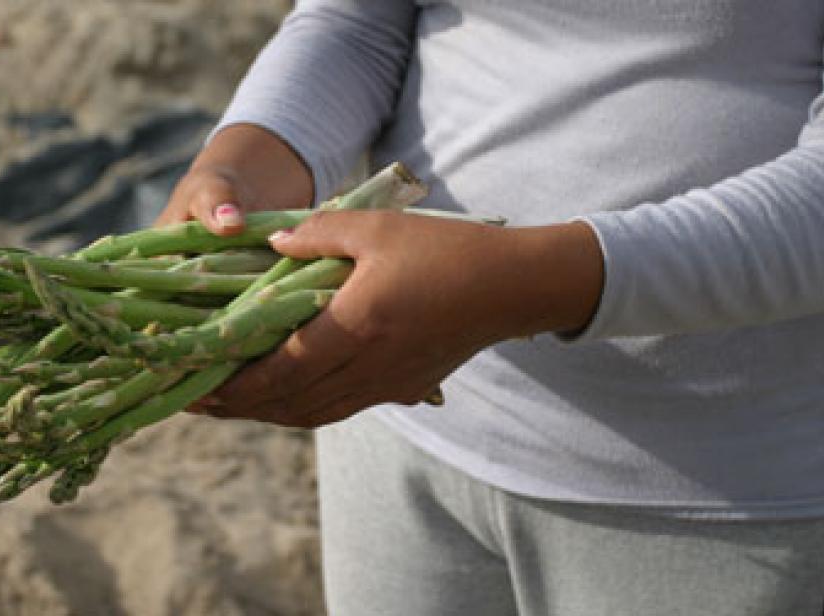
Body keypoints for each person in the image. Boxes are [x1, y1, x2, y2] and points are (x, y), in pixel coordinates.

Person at [154, 1, 824, 614]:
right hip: (391, 426)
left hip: (719, 502)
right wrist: (248, 161)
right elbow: (358, 22)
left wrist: (512, 289)